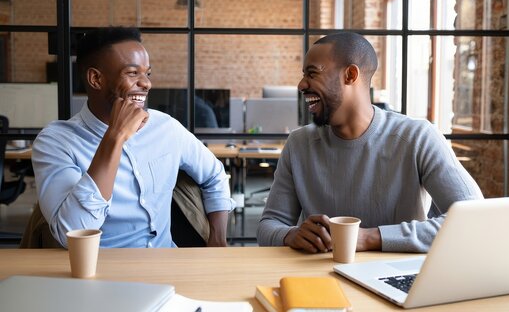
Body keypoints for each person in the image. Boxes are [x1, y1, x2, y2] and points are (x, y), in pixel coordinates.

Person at [257, 32, 483, 253]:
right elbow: (269, 225)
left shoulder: (417, 137)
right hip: (317, 281)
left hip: (393, 279)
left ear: (350, 75)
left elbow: (473, 219)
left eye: (312, 74)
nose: (301, 85)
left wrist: (368, 238)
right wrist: (291, 235)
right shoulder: (298, 144)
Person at [32, 27, 235, 248]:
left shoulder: (165, 127)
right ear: (95, 79)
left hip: (167, 264)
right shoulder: (56, 141)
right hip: (101, 272)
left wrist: (217, 238)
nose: (146, 83)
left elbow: (215, 175)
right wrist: (115, 137)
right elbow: (71, 234)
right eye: (132, 73)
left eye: (147, 73)